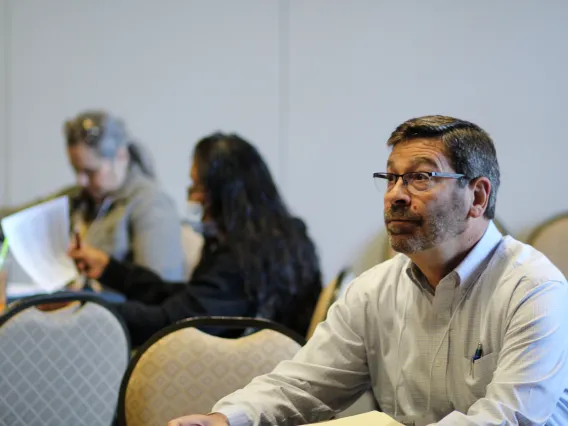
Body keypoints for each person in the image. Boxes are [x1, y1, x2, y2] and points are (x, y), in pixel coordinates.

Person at [168, 116, 568, 426]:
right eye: (391, 177)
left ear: (477, 196)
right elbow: (304, 384)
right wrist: (225, 418)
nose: (395, 195)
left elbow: (507, 418)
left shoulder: (533, 290)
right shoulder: (374, 289)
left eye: (420, 178)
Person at [68, 132, 322, 347]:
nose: (194, 199)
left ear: (223, 195)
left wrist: (86, 309)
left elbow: (171, 324)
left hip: (246, 380)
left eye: (197, 187)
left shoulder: (240, 257)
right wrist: (110, 270)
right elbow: (190, 299)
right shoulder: (280, 236)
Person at [0, 110, 186, 282]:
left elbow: (159, 289)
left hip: (119, 313)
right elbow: (14, 218)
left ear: (121, 157)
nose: (81, 181)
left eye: (90, 172)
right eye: (76, 170)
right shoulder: (78, 198)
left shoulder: (151, 204)